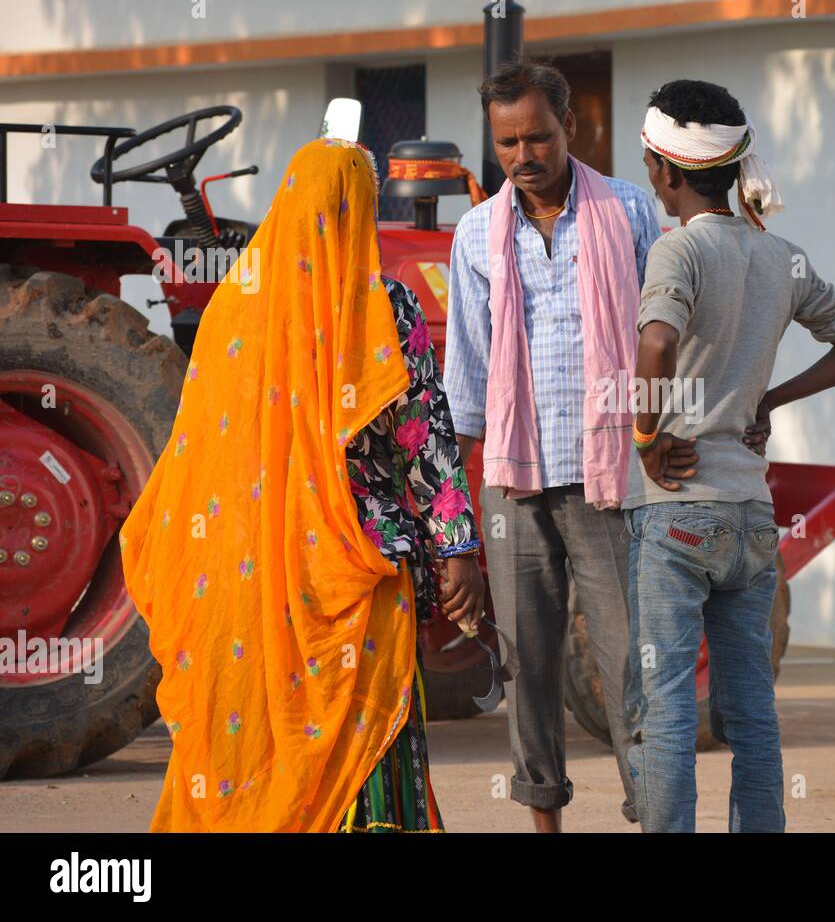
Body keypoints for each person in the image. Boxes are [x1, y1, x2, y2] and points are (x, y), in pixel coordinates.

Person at [118, 137, 484, 832]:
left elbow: (205, 452)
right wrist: (458, 547)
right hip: (364, 562)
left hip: (255, 568)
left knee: (261, 724)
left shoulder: (235, 311)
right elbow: (423, 439)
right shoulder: (387, 307)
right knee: (363, 729)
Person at [624, 80, 835, 832]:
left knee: (670, 704)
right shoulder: (781, 257)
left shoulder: (676, 250)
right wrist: (767, 401)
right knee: (752, 711)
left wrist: (647, 439)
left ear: (667, 172)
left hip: (676, 514)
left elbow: (656, 342)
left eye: (650, 162)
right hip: (750, 517)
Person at [444, 59, 660, 831]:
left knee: (632, 666)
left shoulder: (631, 212)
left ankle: (654, 813)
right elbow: (464, 383)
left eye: (538, 136)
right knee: (525, 670)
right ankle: (545, 825)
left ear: (572, 128)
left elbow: (662, 344)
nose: (523, 155)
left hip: (614, 480)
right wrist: (454, 533)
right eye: (507, 142)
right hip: (514, 481)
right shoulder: (475, 235)